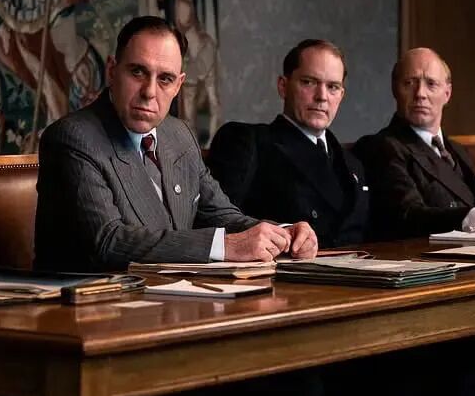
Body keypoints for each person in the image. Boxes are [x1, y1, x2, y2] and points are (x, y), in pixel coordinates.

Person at [34, 16, 318, 273]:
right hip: (90, 302)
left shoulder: (178, 134)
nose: (149, 92)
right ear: (112, 70)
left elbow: (220, 214)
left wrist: (283, 234)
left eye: (165, 79)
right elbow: (109, 242)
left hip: (170, 296)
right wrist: (225, 247)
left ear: (178, 85)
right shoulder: (73, 138)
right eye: (137, 72)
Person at [354, 48, 475, 238]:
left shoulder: (457, 150)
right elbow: (407, 215)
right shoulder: (380, 147)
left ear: (447, 93)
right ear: (395, 89)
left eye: (431, 84)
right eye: (409, 83)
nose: (420, 94)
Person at [208, 39, 368, 248]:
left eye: (332, 87)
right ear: (283, 86)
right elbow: (218, 221)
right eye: (309, 82)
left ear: (341, 95)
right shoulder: (247, 142)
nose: (322, 97)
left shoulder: (353, 163)